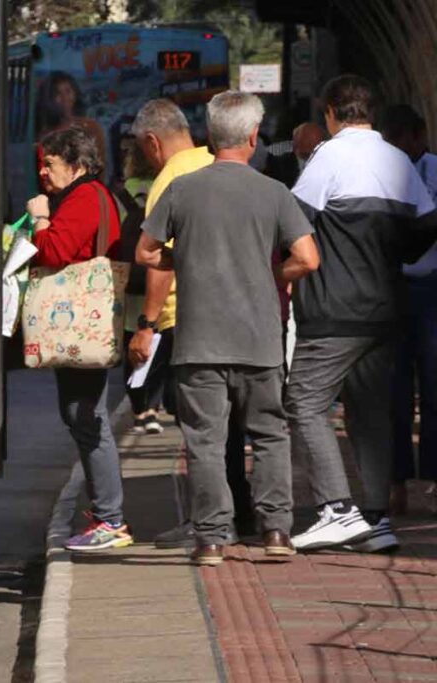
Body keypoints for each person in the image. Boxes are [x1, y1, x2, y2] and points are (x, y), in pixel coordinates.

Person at [136, 90, 320, 566]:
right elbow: (307, 258)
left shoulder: (183, 189)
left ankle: (212, 539)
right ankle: (276, 531)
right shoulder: (274, 192)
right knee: (271, 435)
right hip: (259, 338)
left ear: (210, 136)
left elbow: (146, 252)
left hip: (199, 341)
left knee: (205, 441)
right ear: (255, 138)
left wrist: (188, 260)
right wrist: (267, 274)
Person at [287, 76, 437, 553]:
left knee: (305, 404)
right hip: (387, 308)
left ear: (331, 111)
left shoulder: (328, 156)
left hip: (334, 310)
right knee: (371, 414)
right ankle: (375, 520)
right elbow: (427, 223)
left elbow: (295, 221)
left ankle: (337, 509)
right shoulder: (396, 159)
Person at [127, 99, 255, 548]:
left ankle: (210, 524)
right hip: (238, 314)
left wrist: (146, 325)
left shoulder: (169, 181)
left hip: (187, 320)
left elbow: (160, 262)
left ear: (151, 142)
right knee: (232, 428)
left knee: (201, 430)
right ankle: (241, 513)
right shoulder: (216, 163)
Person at [25, 127, 130, 552]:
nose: (43, 173)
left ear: (79, 165)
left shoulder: (85, 197)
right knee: (80, 415)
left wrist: (39, 217)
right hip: (82, 328)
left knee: (89, 419)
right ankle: (107, 515)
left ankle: (110, 519)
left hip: (79, 326)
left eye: (50, 164)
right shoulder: (93, 196)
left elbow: (54, 251)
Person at [381, 105, 437, 514]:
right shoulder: (382, 173)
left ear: (419, 136)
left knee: (434, 387)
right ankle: (396, 481)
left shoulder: (435, 170)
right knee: (395, 391)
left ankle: (434, 478)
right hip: (394, 288)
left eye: (406, 141)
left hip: (433, 287)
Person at [115, 138, 162, 434]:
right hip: (158, 277)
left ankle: (138, 408)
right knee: (156, 341)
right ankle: (153, 407)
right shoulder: (165, 189)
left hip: (128, 281)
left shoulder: (121, 196)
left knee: (131, 343)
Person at [35, 72, 110, 182]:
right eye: (58, 93)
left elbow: (100, 165)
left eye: (68, 91)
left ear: (75, 93)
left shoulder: (90, 127)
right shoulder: (44, 133)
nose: (65, 97)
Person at [265, 122, 326, 189]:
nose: (313, 146)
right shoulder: (275, 155)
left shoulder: (326, 164)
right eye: (308, 141)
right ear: (295, 140)